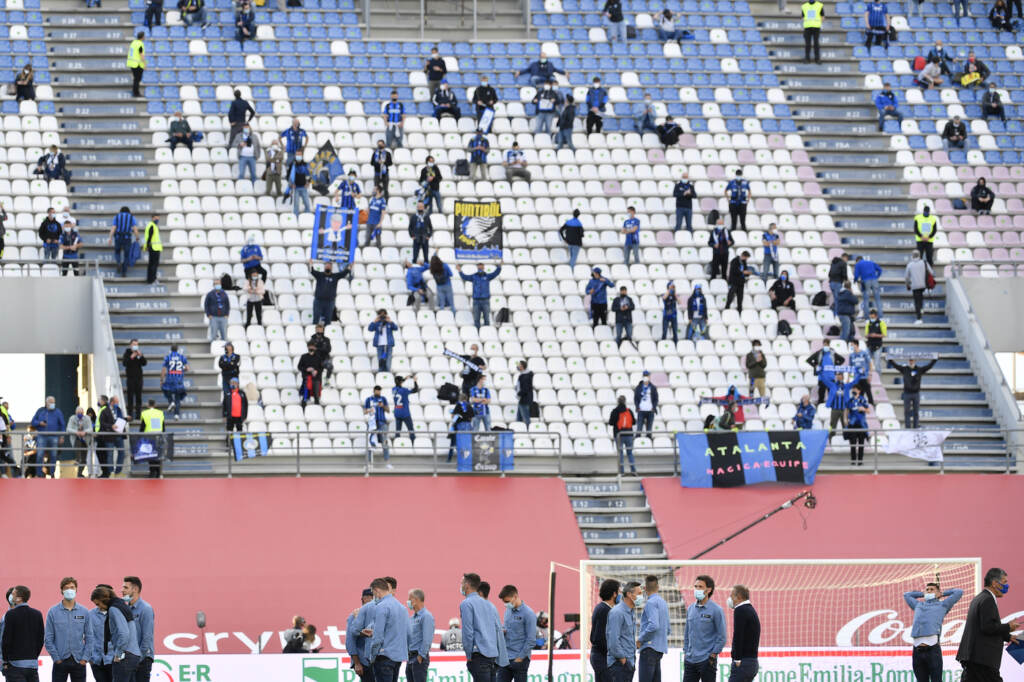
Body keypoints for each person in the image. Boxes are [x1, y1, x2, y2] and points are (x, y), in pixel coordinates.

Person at [955, 568, 1018, 682]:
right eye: (1004, 582)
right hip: (982, 660)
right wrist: (1008, 627)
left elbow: (984, 626)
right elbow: (988, 627)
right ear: (995, 583)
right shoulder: (988, 599)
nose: (1006, 585)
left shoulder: (980, 598)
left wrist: (1007, 637)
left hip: (974, 659)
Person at [903, 584, 966, 682]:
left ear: (938, 593)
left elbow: (959, 592)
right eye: (927, 589)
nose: (928, 591)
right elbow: (907, 595)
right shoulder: (918, 605)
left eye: (932, 589)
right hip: (917, 650)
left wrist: (942, 594)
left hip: (932, 650)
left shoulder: (943, 605)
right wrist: (922, 594)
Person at [458, 573, 509, 682]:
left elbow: (468, 632)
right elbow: (498, 630)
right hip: (492, 656)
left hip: (479, 655)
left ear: (467, 585)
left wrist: (468, 655)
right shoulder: (490, 605)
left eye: (461, 583)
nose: (461, 586)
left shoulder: (466, 604)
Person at [88, 586, 140, 682]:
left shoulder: (114, 609)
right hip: (133, 655)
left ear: (104, 599)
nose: (99, 607)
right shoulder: (122, 606)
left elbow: (124, 633)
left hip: (125, 656)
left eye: (98, 604)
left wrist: (118, 654)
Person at [44, 577, 90, 682]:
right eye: (66, 588)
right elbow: (48, 638)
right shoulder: (53, 612)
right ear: (61, 591)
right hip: (60, 660)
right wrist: (56, 658)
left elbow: (90, 637)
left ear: (76, 590)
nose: (70, 590)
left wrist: (85, 658)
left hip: (79, 660)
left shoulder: (84, 612)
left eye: (72, 587)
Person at [683, 576, 726, 682]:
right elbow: (687, 633)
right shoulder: (690, 609)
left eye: (700, 587)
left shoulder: (716, 610)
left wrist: (713, 654)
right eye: (695, 586)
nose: (697, 589)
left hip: (706, 660)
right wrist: (686, 651)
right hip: (690, 659)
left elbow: (722, 636)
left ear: (709, 589)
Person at [366, 577, 408, 682]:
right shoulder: (402, 608)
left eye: (373, 593)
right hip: (397, 656)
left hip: (384, 656)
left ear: (377, 590)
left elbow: (378, 636)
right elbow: (407, 632)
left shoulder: (381, 607)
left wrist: (372, 656)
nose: (374, 596)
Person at [2, 585, 45, 682]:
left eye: (13, 594)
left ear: (19, 598)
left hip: (15, 665)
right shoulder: (37, 614)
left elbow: (6, 639)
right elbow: (40, 638)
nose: (11, 597)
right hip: (32, 664)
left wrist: (5, 660)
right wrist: (34, 655)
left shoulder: (11, 614)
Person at [497, 586, 535, 682]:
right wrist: (502, 630)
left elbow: (531, 640)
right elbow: (506, 627)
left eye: (507, 601)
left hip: (519, 659)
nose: (506, 604)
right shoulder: (508, 611)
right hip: (505, 658)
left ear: (515, 596)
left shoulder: (528, 614)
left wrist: (520, 658)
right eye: (504, 602)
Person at [888, 356, 937, 428]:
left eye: (912, 361)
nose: (911, 362)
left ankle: (915, 427)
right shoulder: (905, 369)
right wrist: (890, 359)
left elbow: (928, 367)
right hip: (907, 393)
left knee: (916, 412)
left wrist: (934, 360)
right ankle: (908, 428)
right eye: (910, 361)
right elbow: (896, 366)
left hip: (916, 393)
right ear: (909, 361)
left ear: (915, 361)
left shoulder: (919, 370)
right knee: (906, 412)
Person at [605, 581, 640, 682]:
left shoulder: (631, 612)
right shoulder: (617, 612)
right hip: (619, 665)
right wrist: (623, 660)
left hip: (629, 663)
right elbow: (613, 640)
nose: (641, 597)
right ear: (629, 594)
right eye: (639, 594)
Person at [637, 576, 669, 682]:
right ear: (658, 587)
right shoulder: (663, 603)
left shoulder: (650, 603)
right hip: (659, 649)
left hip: (649, 649)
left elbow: (654, 625)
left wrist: (640, 639)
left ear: (645, 588)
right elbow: (668, 629)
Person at [122, 577, 154, 681]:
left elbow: (147, 637)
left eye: (125, 587)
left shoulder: (146, 609)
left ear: (135, 589)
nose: (122, 590)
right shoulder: (125, 609)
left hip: (142, 660)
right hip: (129, 660)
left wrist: (138, 658)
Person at [727, 585, 760, 682]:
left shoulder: (740, 610)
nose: (730, 599)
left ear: (739, 597)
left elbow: (738, 635)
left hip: (743, 663)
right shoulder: (750, 609)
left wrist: (737, 659)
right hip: (752, 662)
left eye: (732, 596)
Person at [590, 579, 620, 682]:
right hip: (602, 658)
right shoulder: (604, 610)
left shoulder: (602, 608)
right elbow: (598, 638)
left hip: (600, 656)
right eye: (618, 592)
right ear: (614, 594)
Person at [31, 396, 66, 478]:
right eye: (51, 402)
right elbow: (33, 422)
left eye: (53, 402)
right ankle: (39, 474)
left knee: (53, 455)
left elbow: (62, 425)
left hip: (54, 437)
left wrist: (62, 436)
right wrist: (39, 423)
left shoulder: (58, 412)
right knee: (40, 455)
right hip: (42, 436)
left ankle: (52, 473)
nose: (52, 404)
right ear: (46, 403)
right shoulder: (40, 411)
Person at [459, 263, 501, 330]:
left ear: (483, 267)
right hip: (476, 301)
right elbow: (465, 277)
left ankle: (487, 333)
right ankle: (477, 334)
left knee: (486, 319)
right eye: (479, 266)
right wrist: (460, 271)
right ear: (477, 267)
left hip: (485, 300)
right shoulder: (474, 276)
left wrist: (499, 266)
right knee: (476, 319)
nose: (480, 267)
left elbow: (495, 273)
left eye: (481, 266)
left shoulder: (487, 276)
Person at [87, 584, 115, 682]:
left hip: (114, 660)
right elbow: (86, 637)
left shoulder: (117, 613)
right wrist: (90, 658)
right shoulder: (90, 615)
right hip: (96, 661)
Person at [406, 589, 434, 682]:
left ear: (416, 600)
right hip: (410, 657)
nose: (408, 602)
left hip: (418, 657)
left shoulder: (426, 616)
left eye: (410, 599)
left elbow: (427, 639)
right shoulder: (412, 618)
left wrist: (421, 656)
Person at [806, 339, 844, 405]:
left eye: (827, 344)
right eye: (825, 344)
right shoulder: (819, 353)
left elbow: (842, 359)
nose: (826, 346)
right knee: (821, 394)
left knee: (831, 393)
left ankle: (831, 405)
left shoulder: (833, 353)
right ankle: (820, 406)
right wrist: (816, 366)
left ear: (829, 345)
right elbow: (809, 360)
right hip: (822, 377)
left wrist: (835, 366)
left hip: (831, 376)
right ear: (823, 345)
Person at [608, 395, 637, 474]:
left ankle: (622, 472)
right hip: (629, 434)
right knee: (630, 453)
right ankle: (633, 470)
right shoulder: (629, 411)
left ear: (618, 401)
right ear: (625, 401)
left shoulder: (615, 411)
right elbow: (634, 422)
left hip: (619, 435)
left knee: (620, 453)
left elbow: (611, 422)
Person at [310, 260, 344, 325]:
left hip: (330, 302)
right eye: (326, 266)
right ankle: (314, 333)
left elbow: (343, 273)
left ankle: (327, 333)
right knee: (316, 319)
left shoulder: (335, 276)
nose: (328, 268)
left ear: (331, 268)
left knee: (328, 320)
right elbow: (312, 271)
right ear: (324, 267)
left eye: (329, 266)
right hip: (319, 301)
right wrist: (311, 264)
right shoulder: (320, 275)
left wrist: (350, 267)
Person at [160, 345, 189, 421]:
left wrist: (162, 379)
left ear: (171, 350)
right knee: (178, 397)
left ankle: (171, 402)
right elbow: (187, 368)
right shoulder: (182, 357)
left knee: (165, 389)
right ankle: (176, 414)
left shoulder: (168, 357)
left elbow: (164, 369)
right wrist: (180, 370)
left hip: (170, 379)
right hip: (179, 380)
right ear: (177, 349)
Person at [108, 206, 139, 277]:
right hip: (127, 238)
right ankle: (124, 271)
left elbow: (113, 228)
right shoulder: (131, 217)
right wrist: (137, 237)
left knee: (117, 252)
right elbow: (135, 229)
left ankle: (118, 262)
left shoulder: (117, 216)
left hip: (118, 237)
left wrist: (110, 238)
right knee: (126, 255)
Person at [364, 386, 391, 467]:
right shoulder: (369, 399)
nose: (378, 392)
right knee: (370, 443)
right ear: (374, 391)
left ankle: (387, 463)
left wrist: (383, 406)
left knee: (385, 442)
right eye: (377, 391)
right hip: (372, 424)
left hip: (382, 423)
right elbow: (364, 411)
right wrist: (369, 410)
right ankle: (369, 463)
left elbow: (388, 410)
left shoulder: (383, 399)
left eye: (379, 391)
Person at [123, 341, 149, 420]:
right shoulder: (127, 353)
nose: (135, 346)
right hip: (130, 378)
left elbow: (144, 363)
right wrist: (131, 357)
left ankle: (138, 415)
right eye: (134, 344)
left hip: (139, 379)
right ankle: (130, 414)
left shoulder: (139, 353)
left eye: (137, 344)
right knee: (130, 397)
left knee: (138, 397)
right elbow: (125, 363)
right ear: (130, 345)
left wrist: (140, 356)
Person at [905, 251, 933, 324]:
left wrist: (907, 284)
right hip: (924, 285)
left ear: (912, 256)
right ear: (919, 255)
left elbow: (906, 277)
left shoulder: (910, 265)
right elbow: (932, 272)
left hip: (915, 285)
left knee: (917, 302)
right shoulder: (924, 263)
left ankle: (919, 318)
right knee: (921, 299)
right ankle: (921, 309)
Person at [138, 400, 164, 477]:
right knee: (158, 454)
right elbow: (163, 426)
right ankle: (159, 472)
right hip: (158, 435)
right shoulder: (160, 413)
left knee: (150, 454)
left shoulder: (144, 413)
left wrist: (140, 437)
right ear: (155, 404)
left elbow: (142, 427)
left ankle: (152, 472)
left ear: (148, 405)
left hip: (148, 437)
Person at [63, 407, 91, 479]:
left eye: (81, 413)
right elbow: (68, 429)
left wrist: (85, 432)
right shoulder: (72, 418)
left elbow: (90, 429)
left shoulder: (87, 418)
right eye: (78, 413)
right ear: (75, 413)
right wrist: (77, 432)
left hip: (85, 440)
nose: (80, 414)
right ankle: (77, 459)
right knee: (79, 454)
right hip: (76, 439)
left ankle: (80, 474)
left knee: (84, 459)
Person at [845, 384, 870, 464]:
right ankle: (853, 460)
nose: (854, 391)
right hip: (852, 424)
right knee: (852, 443)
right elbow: (847, 409)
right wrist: (845, 419)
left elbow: (868, 410)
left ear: (859, 391)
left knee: (861, 443)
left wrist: (863, 409)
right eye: (853, 389)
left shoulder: (863, 399)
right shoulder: (850, 400)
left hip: (861, 424)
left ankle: (860, 460)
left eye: (855, 389)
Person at [447, 393, 475, 462]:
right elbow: (472, 417)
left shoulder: (459, 405)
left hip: (460, 425)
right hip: (468, 425)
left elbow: (453, 416)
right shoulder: (469, 405)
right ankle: (467, 459)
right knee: (467, 443)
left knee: (457, 442)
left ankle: (450, 459)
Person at [391, 375, 418, 441]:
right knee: (411, 429)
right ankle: (413, 442)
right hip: (404, 412)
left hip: (397, 411)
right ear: (401, 382)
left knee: (398, 430)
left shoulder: (393, 389)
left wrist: (405, 378)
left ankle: (396, 442)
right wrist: (415, 381)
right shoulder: (404, 390)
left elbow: (399, 384)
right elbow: (415, 390)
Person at [633, 371, 658, 440]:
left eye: (647, 376)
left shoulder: (653, 387)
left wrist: (654, 407)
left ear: (649, 377)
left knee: (649, 429)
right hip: (641, 410)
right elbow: (636, 398)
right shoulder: (638, 387)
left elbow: (656, 399)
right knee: (639, 428)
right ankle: (638, 441)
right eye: (644, 376)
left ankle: (649, 441)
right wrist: (637, 407)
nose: (646, 377)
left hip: (650, 410)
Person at [707, 213, 733, 280]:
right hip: (716, 253)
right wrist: (714, 245)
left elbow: (732, 241)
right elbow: (709, 242)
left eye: (721, 224)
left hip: (725, 253)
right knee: (714, 268)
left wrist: (730, 243)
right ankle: (712, 280)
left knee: (724, 269)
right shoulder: (713, 232)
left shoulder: (727, 231)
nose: (720, 225)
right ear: (716, 224)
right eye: (719, 224)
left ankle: (724, 281)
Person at [848, 339, 874, 404]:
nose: (851, 347)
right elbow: (850, 367)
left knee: (868, 393)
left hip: (864, 377)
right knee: (858, 394)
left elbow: (870, 363)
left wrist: (870, 374)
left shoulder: (864, 353)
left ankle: (872, 406)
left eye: (852, 345)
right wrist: (848, 378)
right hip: (856, 378)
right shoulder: (851, 355)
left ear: (856, 345)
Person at [297, 343, 323, 408]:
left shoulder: (319, 357)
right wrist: (306, 369)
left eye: (313, 347)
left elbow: (321, 368)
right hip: (307, 377)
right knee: (305, 395)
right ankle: (303, 407)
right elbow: (299, 367)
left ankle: (317, 409)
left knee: (316, 395)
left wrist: (316, 371)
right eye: (310, 347)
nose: (311, 348)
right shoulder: (304, 356)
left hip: (316, 378)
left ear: (315, 348)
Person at [864, 308, 887, 375]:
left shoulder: (881, 323)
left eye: (873, 317)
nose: (872, 318)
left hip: (878, 345)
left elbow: (884, 334)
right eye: (871, 316)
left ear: (876, 316)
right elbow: (866, 334)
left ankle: (878, 377)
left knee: (877, 363)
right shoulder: (868, 323)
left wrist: (875, 335)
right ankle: (868, 376)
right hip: (869, 345)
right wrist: (869, 335)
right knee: (867, 361)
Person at [511, 361, 534, 426]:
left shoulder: (525, 376)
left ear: (522, 366)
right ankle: (518, 430)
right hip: (523, 400)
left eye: (519, 365)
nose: (517, 366)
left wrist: (519, 394)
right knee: (519, 419)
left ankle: (528, 431)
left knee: (526, 419)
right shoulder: (524, 375)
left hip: (524, 400)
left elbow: (525, 389)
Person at [126, 32, 146, 98]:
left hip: (132, 63)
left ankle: (135, 91)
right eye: (144, 36)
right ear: (142, 37)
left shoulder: (133, 42)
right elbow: (141, 54)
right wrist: (144, 63)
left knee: (135, 79)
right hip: (137, 64)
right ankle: (136, 93)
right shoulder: (140, 44)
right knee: (137, 79)